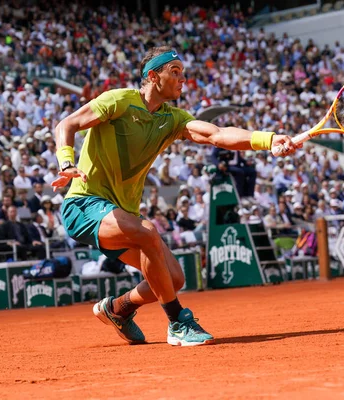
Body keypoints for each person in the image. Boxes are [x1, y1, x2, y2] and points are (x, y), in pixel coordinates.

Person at [51, 46, 300, 347]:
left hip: (122, 213)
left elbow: (216, 134)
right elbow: (67, 124)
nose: (183, 79)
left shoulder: (173, 119)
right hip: (83, 205)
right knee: (147, 233)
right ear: (153, 77)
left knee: (174, 279)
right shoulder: (118, 101)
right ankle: (177, 322)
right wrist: (66, 162)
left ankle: (118, 309)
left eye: (183, 72)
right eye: (176, 72)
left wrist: (269, 140)